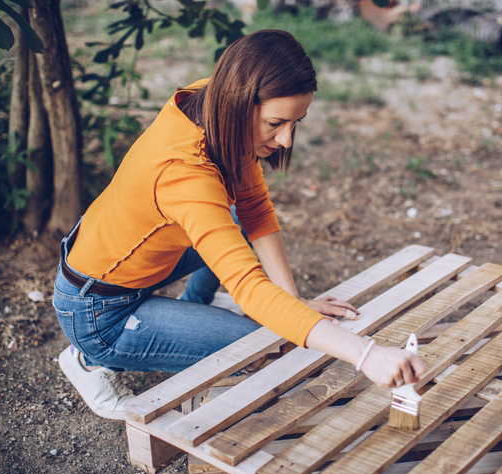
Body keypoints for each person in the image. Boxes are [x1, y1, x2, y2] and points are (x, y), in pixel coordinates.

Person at [52, 29, 426, 420]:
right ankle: (92, 360)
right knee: (257, 346)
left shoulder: (212, 104)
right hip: (98, 311)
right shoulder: (185, 174)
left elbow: (256, 212)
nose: (285, 139)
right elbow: (249, 288)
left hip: (129, 262)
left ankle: (190, 311)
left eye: (296, 122)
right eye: (276, 123)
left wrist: (294, 302)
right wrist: (366, 354)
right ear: (239, 104)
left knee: (234, 224)